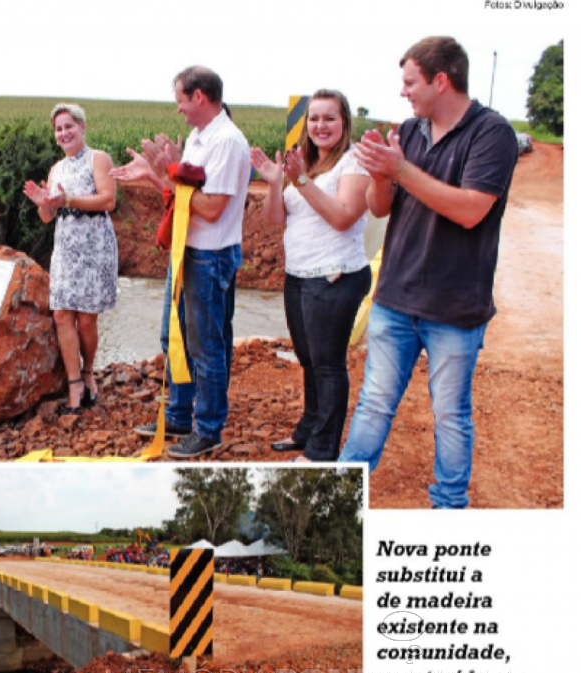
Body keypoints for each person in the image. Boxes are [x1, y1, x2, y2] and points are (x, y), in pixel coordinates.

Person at [338, 37, 518, 509]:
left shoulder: (492, 134)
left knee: (450, 414)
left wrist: (400, 171)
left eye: (410, 82)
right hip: (395, 297)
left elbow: (471, 210)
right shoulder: (410, 131)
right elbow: (380, 208)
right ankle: (339, 496)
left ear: (441, 80)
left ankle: (449, 505)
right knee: (374, 403)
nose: (403, 92)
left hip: (455, 307)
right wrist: (381, 175)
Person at [112, 66, 251, 457]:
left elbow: (210, 207)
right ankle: (178, 414)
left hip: (210, 254)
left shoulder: (227, 142)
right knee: (172, 336)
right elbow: (182, 193)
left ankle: (208, 428)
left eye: (181, 100)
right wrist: (161, 175)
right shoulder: (197, 137)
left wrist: (165, 172)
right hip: (186, 249)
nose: (178, 109)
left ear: (200, 97)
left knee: (206, 346)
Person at [251, 90, 371, 461]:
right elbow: (276, 219)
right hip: (299, 275)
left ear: (344, 122)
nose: (320, 125)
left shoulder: (353, 162)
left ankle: (322, 450)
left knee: (327, 364)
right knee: (308, 359)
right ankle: (309, 428)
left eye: (329, 118)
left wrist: (301, 180)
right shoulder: (304, 163)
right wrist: (276, 182)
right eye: (314, 118)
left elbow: (342, 217)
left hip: (335, 275)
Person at [23, 103, 119, 413]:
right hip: (65, 248)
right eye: (58, 129)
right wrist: (44, 202)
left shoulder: (98, 159)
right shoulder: (56, 169)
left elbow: (108, 200)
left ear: (82, 127)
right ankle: (74, 383)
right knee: (62, 315)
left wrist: (68, 199)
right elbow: (47, 217)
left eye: (69, 126)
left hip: (95, 246)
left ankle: (89, 372)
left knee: (86, 318)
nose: (63, 133)